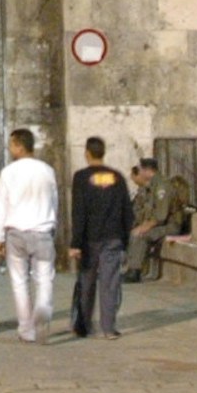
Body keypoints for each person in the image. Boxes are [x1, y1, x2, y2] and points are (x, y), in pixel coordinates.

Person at [0, 126, 60, 343]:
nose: (9, 149)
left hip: (16, 233)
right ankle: (43, 308)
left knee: (19, 282)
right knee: (45, 277)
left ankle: (26, 329)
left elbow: (1, 204)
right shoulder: (47, 171)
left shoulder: (9, 173)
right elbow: (54, 201)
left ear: (19, 146)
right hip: (42, 231)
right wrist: (52, 223)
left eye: (11, 145)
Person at [67, 136, 134, 338]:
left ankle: (84, 326)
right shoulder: (117, 177)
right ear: (103, 152)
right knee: (110, 282)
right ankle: (108, 328)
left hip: (89, 240)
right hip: (113, 238)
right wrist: (125, 240)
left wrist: (75, 243)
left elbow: (78, 212)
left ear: (87, 153)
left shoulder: (81, 177)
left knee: (87, 282)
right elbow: (128, 212)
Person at [124, 158, 174, 282]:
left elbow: (161, 216)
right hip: (157, 224)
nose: (139, 172)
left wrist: (144, 227)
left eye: (141, 169)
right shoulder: (151, 186)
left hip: (169, 225)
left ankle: (135, 271)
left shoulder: (162, 186)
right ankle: (130, 268)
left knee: (140, 235)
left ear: (148, 170)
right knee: (134, 231)